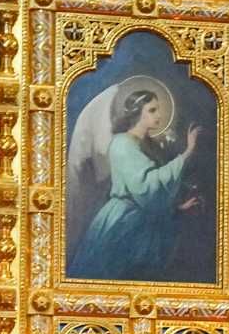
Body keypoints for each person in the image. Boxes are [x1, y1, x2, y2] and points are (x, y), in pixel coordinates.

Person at [68, 82, 203, 280]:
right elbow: (146, 185)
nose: (158, 115)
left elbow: (151, 193)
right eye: (152, 110)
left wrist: (176, 208)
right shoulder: (123, 144)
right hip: (124, 223)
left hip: (143, 220)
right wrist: (187, 153)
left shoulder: (146, 144)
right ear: (137, 112)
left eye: (158, 109)